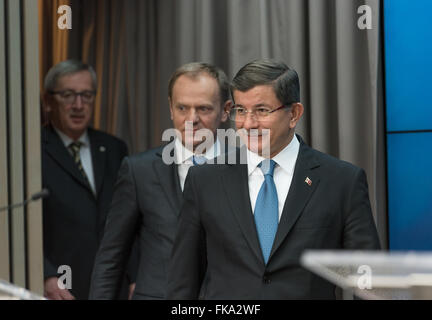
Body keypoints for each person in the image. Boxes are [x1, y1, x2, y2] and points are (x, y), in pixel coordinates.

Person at [166, 59, 381, 299]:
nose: (248, 124)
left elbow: (367, 280)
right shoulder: (204, 179)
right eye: (241, 111)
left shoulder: (342, 181)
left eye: (261, 110)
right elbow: (182, 281)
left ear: (294, 114)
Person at [89, 62, 232, 299]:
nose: (191, 119)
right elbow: (111, 258)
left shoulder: (247, 169)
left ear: (225, 110)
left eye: (204, 109)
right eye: (182, 108)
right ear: (170, 108)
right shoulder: (139, 171)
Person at [41, 60, 130, 300]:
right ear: (48, 102)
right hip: (61, 288)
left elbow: (130, 219)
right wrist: (46, 275)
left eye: (87, 95)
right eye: (68, 95)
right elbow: (18, 227)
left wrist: (135, 276)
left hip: (113, 287)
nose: (78, 105)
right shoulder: (31, 152)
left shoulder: (114, 149)